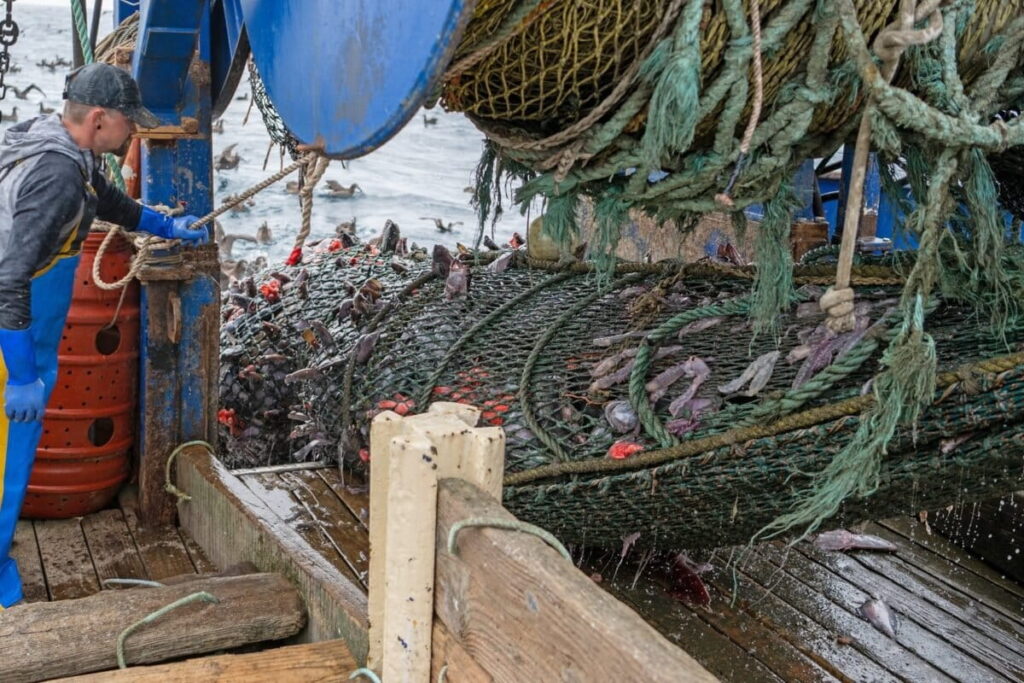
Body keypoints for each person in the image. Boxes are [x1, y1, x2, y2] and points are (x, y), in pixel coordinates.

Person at [0, 62, 209, 609]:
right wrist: (20, 376)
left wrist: (165, 226)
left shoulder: (68, 150)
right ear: (98, 118)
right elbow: (10, 277)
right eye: (127, 120)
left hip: (31, 332)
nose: (133, 130)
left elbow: (107, 201)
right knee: (6, 458)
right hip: (11, 337)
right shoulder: (55, 176)